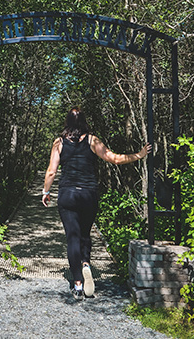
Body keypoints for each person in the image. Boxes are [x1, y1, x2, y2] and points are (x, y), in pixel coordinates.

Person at [42, 107, 151, 300]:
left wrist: (46, 191)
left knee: (72, 238)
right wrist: (139, 155)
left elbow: (51, 171)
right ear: (84, 121)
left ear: (67, 122)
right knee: (85, 233)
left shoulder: (58, 143)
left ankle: (77, 284)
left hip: (67, 195)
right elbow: (114, 159)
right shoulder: (93, 140)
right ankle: (86, 264)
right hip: (88, 195)